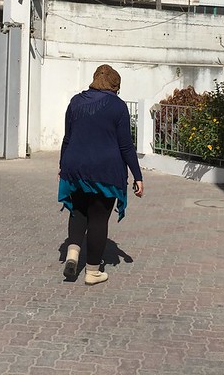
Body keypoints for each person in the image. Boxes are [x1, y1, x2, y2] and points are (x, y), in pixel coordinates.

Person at [58, 64, 144, 285]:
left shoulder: (76, 102)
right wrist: (137, 175)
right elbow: (126, 145)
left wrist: (62, 166)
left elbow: (67, 138)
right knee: (98, 218)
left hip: (75, 167)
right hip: (105, 170)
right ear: (115, 85)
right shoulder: (118, 106)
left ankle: (73, 254)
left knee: (78, 212)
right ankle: (93, 272)